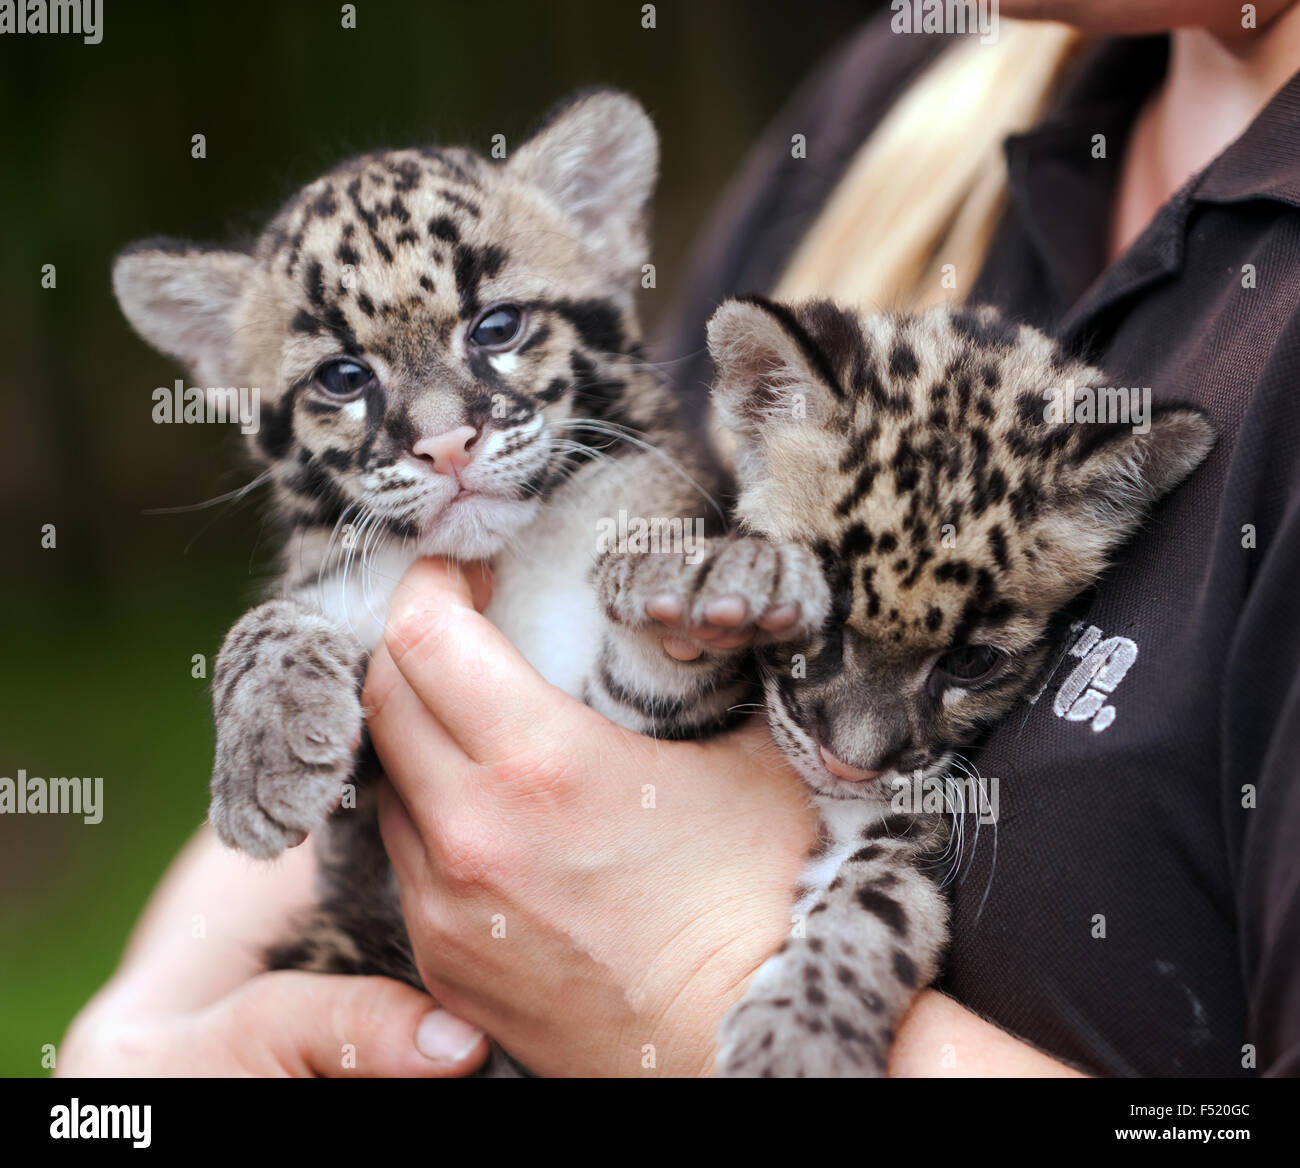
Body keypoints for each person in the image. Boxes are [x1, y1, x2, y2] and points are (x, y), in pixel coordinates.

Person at [61, 0, 1300, 1077]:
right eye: (342, 376)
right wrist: (126, 1052)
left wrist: (689, 979)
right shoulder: (914, 85)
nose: (439, 433)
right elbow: (386, 686)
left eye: (494, 332)